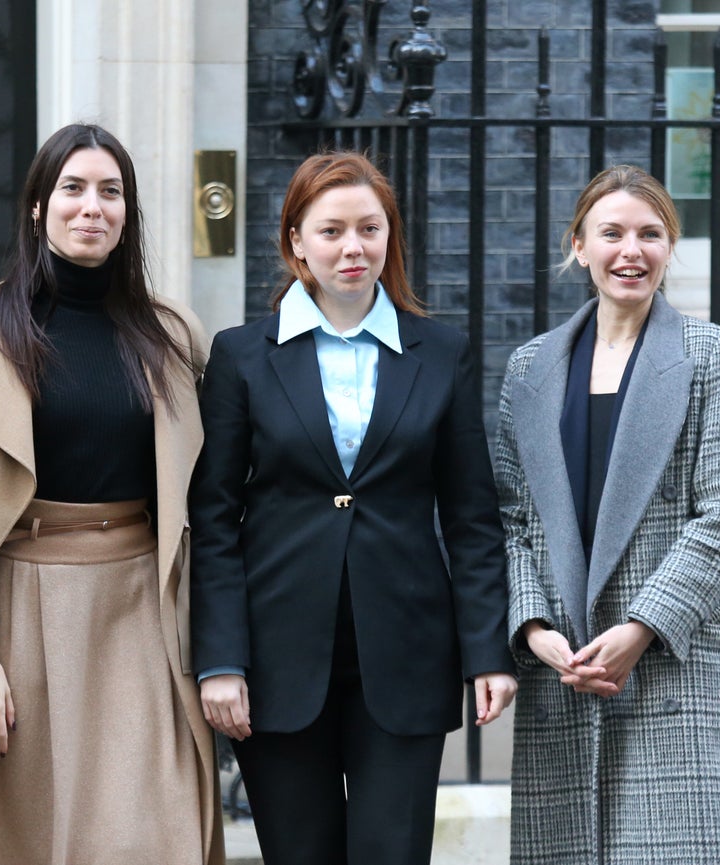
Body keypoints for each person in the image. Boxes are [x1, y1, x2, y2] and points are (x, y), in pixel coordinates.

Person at [0, 123, 223, 865]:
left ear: (128, 214)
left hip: (143, 606)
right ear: (38, 207)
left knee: (151, 832)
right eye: (72, 188)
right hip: (13, 611)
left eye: (111, 191)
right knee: (24, 836)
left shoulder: (171, 334)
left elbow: (216, 499)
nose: (92, 207)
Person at [189, 151, 516, 865]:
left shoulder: (441, 352)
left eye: (370, 228)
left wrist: (488, 649)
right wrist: (219, 658)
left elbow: (471, 515)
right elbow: (211, 519)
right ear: (296, 241)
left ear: (389, 238)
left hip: (405, 652)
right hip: (277, 659)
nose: (352, 247)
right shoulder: (242, 356)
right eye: (331, 229)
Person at [495, 164, 720, 864]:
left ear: (670, 247)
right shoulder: (529, 369)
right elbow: (511, 518)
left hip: (672, 672)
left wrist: (641, 627)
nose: (632, 250)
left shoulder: (712, 355)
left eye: (651, 234)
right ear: (579, 246)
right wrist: (532, 628)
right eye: (612, 232)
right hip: (566, 670)